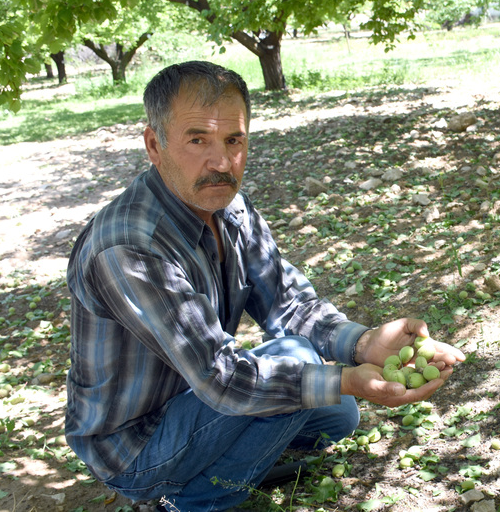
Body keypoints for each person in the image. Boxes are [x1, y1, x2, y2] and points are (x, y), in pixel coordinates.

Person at [65, 61, 465, 512]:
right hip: (135, 445)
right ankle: (184, 499)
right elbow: (221, 378)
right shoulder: (130, 246)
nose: (221, 162)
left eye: (233, 140)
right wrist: (347, 377)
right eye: (197, 140)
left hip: (195, 398)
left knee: (337, 414)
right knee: (304, 370)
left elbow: (287, 303)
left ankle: (230, 463)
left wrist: (365, 343)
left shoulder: (229, 206)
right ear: (154, 145)